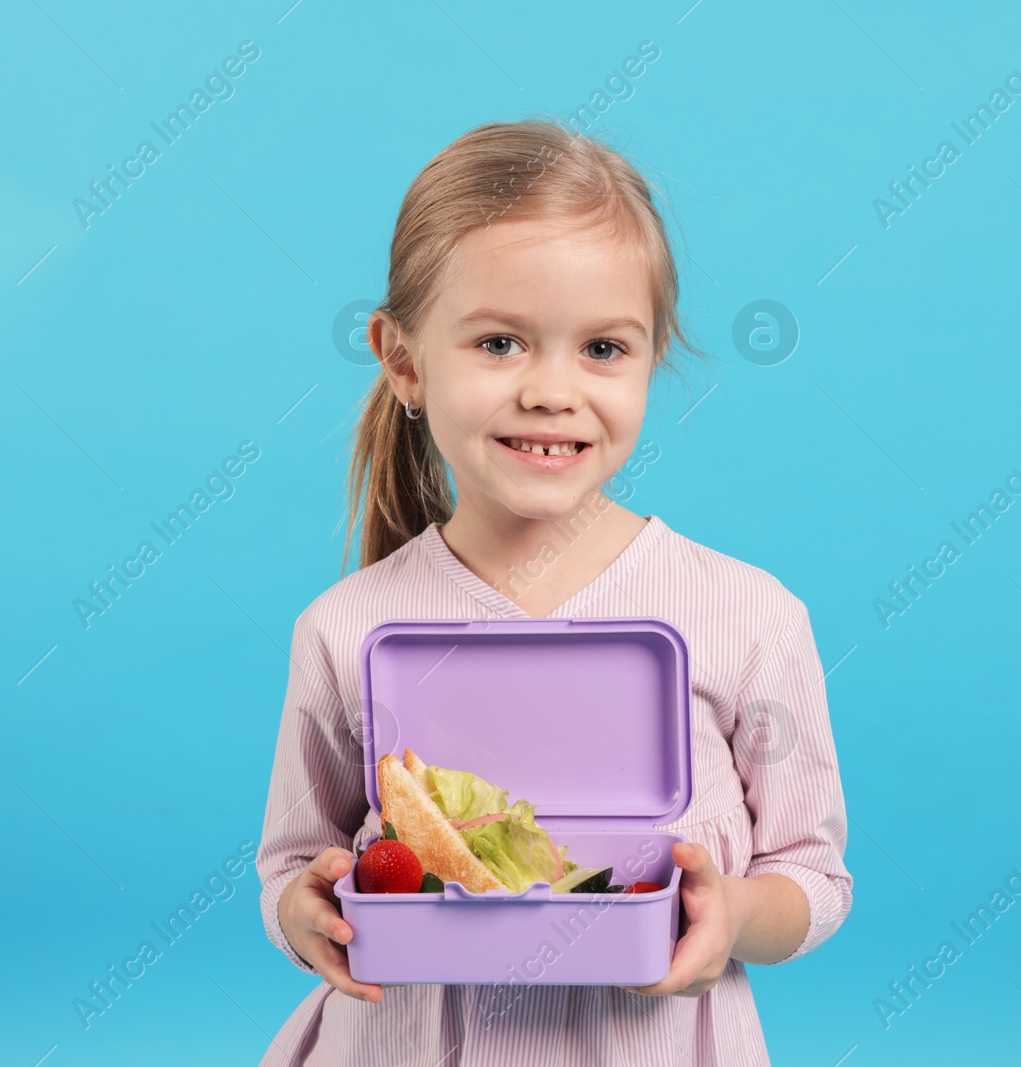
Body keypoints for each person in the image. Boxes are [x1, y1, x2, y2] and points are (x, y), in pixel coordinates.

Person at [255, 117, 852, 1066]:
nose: (552, 391)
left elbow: (811, 877)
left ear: (655, 353)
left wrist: (731, 914)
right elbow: (292, 866)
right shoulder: (345, 627)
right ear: (404, 360)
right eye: (499, 342)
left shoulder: (747, 618)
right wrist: (306, 910)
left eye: (604, 349)